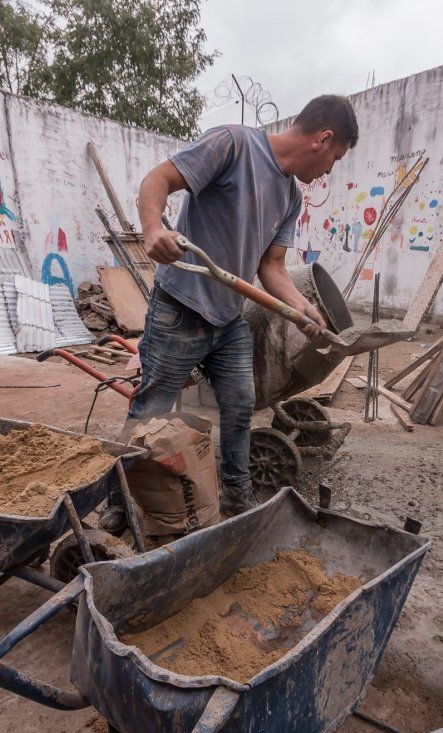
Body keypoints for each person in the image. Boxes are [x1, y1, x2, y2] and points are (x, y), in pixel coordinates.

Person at [129, 94, 359, 517]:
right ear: (323, 139)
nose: (330, 170)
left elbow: (272, 266)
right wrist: (152, 228)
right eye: (336, 158)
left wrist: (301, 308)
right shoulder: (233, 145)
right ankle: (121, 499)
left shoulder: (291, 197)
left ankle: (237, 496)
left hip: (228, 319)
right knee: (152, 410)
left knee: (240, 405)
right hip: (180, 307)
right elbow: (157, 179)